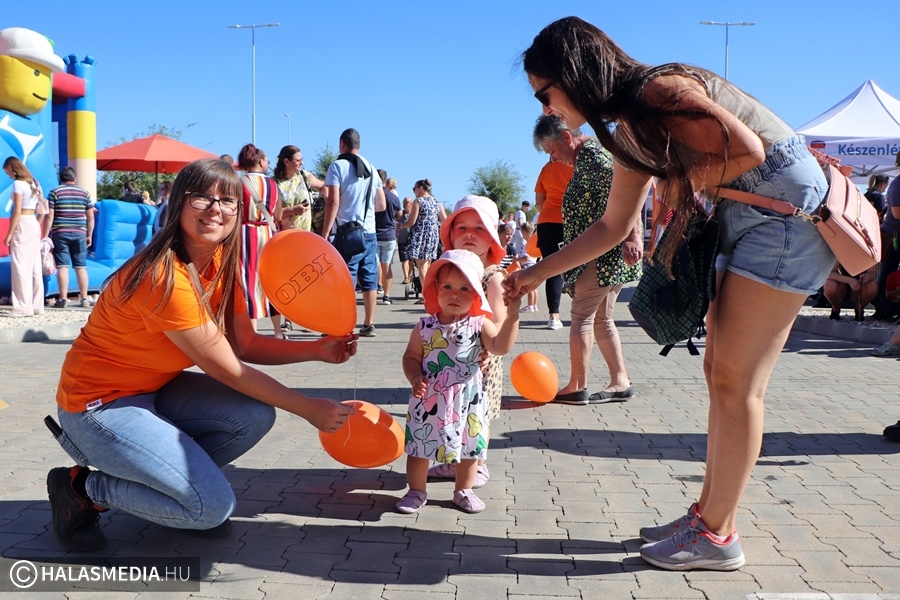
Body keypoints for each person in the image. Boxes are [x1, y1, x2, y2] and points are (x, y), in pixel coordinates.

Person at [505, 17, 836, 571]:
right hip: (759, 222)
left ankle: (717, 535)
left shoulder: (658, 91)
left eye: (546, 92)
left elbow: (749, 151)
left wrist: (676, 183)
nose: (545, 108)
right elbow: (612, 226)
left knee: (736, 381)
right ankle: (708, 516)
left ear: (574, 73)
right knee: (720, 375)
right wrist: (538, 273)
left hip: (786, 223)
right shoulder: (630, 127)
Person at [46, 158, 357, 552]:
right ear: (179, 204)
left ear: (239, 213)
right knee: (209, 510)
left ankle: (175, 488)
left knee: (254, 415)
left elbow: (245, 344)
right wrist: (308, 407)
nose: (216, 208)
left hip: (156, 388)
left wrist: (316, 350)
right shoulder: (163, 275)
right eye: (202, 197)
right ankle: (85, 488)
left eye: (227, 201)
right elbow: (230, 370)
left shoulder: (222, 263)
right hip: (98, 406)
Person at [397, 249, 520, 514]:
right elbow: (410, 356)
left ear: (477, 295)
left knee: (469, 448)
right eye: (448, 287)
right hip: (429, 399)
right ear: (435, 289)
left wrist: (513, 317)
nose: (455, 294)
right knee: (419, 447)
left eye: (465, 289)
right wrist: (414, 375)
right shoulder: (424, 326)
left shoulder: (480, 324)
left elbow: (499, 347)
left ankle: (463, 490)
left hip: (468, 400)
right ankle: (416, 490)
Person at [538, 119, 642, 406]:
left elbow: (628, 193)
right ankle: (619, 381)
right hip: (605, 254)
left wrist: (634, 236)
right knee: (602, 319)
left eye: (552, 150)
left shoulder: (595, 159)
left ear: (565, 138)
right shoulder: (589, 158)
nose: (553, 157)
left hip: (600, 255)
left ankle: (577, 385)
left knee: (582, 316)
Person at [427, 195, 509, 488]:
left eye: (480, 228)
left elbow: (499, 322)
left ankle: (479, 465)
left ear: (492, 238)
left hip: (480, 361)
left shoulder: (493, 277)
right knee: (453, 411)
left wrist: (486, 346)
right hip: (452, 357)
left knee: (476, 416)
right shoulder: (452, 269)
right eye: (461, 228)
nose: (470, 234)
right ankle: (455, 465)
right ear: (450, 235)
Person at [323, 128, 387, 337]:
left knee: (345, 278)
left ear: (342, 144)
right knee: (369, 278)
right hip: (369, 232)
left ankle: (343, 324)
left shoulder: (337, 167)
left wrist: (325, 234)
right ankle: (369, 323)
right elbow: (381, 205)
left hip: (346, 233)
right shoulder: (372, 168)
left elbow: (333, 202)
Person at [533, 115, 577, 330]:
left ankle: (554, 316)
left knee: (552, 268)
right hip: (570, 222)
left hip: (547, 223)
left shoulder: (544, 171)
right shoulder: (574, 164)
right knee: (578, 264)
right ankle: (581, 311)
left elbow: (539, 203)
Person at [237, 144, 284, 338]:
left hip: (245, 233)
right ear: (260, 161)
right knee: (271, 280)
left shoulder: (239, 183)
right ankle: (278, 330)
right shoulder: (273, 185)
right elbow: (279, 214)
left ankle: (253, 331)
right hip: (268, 233)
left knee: (248, 280)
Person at [3, 156, 45, 316]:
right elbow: (42, 207)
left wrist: (9, 234)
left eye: (7, 170)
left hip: (23, 222)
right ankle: (36, 305)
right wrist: (37, 222)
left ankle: (22, 306)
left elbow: (17, 210)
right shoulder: (35, 183)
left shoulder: (18, 184)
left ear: (12, 168)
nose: (7, 174)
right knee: (34, 265)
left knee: (20, 265)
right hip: (33, 222)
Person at [47, 166, 95, 308]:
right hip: (80, 233)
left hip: (60, 233)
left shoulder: (54, 192)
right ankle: (85, 299)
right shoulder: (85, 194)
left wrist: (46, 235)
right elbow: (90, 217)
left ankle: (62, 299)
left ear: (61, 179)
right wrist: (89, 235)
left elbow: (50, 216)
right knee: (81, 267)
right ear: (75, 179)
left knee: (62, 266)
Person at [399, 178, 446, 304]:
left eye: (414, 189)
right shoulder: (437, 202)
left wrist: (402, 225)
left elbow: (412, 221)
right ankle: (430, 293)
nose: (414, 191)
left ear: (420, 188)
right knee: (428, 266)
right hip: (432, 237)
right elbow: (444, 220)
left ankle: (426, 296)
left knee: (422, 268)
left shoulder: (418, 201)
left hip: (420, 236)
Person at [873, 153, 900, 322]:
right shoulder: (897, 184)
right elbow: (897, 214)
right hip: (892, 235)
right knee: (886, 274)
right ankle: (885, 310)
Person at [273, 145, 324, 233]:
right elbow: (272, 213)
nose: (302, 163)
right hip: (284, 236)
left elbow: (324, 187)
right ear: (286, 161)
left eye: (302, 159)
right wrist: (293, 210)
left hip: (307, 235)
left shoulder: (305, 176)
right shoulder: (274, 183)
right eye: (298, 160)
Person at [375, 171, 403, 304]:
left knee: (374, 264)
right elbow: (399, 215)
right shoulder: (393, 197)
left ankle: (374, 291)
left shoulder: (372, 195)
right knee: (387, 266)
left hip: (373, 234)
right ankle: (387, 296)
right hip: (389, 234)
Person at [515, 221, 540, 312]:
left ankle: (530, 305)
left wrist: (516, 260)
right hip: (533, 265)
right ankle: (534, 305)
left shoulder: (527, 245)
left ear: (525, 232)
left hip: (527, 266)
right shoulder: (533, 243)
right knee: (534, 287)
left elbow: (525, 258)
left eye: (522, 233)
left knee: (529, 287)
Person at [397, 197, 414, 285]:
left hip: (412, 240)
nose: (405, 204)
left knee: (411, 260)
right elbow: (395, 221)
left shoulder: (414, 214)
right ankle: (406, 277)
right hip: (402, 240)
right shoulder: (400, 214)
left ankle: (410, 275)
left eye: (406, 202)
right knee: (404, 259)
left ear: (411, 204)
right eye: (404, 202)